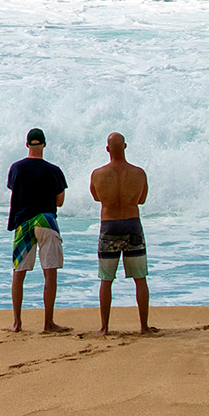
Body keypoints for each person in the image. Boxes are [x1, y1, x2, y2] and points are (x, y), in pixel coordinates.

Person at [6, 127, 69, 334]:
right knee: (49, 273)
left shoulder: (16, 168)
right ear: (44, 144)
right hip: (46, 219)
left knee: (19, 273)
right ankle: (48, 323)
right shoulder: (54, 170)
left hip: (24, 222)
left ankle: (17, 323)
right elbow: (59, 202)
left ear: (27, 145)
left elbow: (15, 191)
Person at [88, 131, 151, 334]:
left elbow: (97, 198)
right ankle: (143, 327)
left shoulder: (97, 174)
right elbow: (141, 200)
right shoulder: (138, 173)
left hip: (109, 225)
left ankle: (104, 327)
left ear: (107, 149)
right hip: (132, 224)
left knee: (106, 279)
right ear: (125, 146)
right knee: (140, 278)